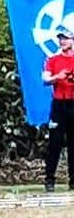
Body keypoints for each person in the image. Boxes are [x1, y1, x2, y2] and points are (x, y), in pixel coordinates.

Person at [43, 27, 74, 192]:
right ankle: (49, 179)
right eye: (60, 39)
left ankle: (73, 180)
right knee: (54, 143)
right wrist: (57, 77)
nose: (62, 42)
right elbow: (45, 78)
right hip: (59, 105)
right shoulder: (53, 59)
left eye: (66, 38)